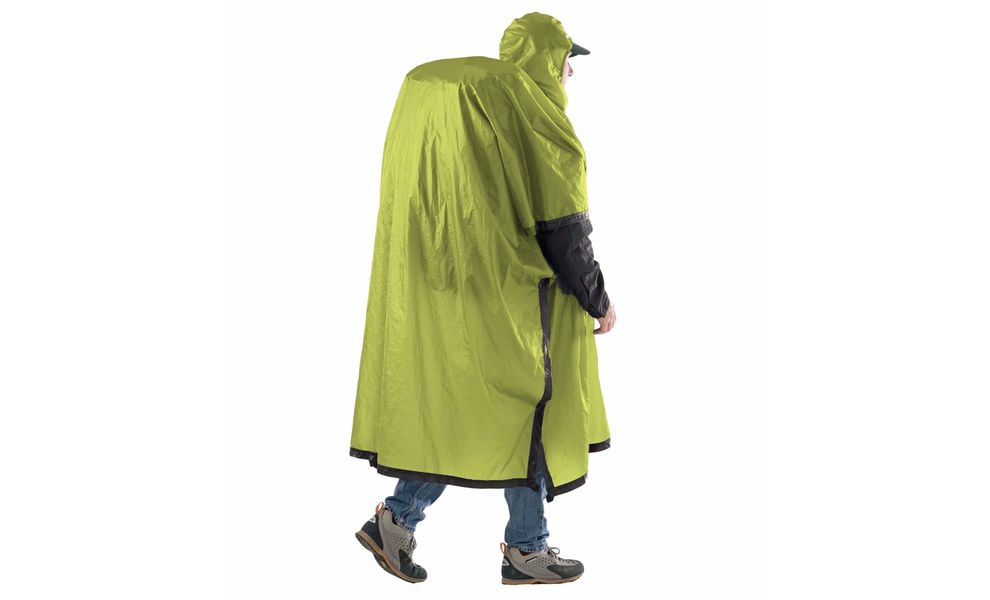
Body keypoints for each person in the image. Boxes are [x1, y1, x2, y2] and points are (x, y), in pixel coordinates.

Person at [350, 12, 617, 585]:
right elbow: (562, 227)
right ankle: (525, 550)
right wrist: (597, 298)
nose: (571, 72)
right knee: (529, 409)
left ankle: (396, 522)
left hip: (440, 288)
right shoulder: (535, 117)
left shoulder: (463, 100)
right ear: (547, 60)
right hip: (510, 300)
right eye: (566, 59)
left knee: (462, 409)